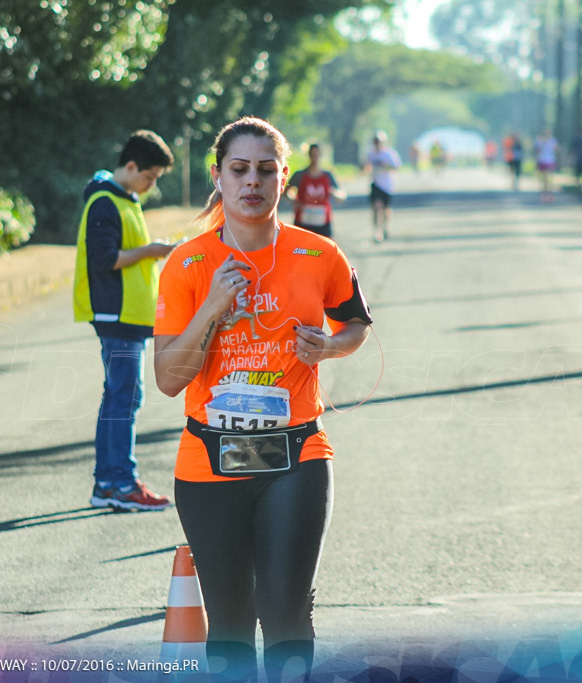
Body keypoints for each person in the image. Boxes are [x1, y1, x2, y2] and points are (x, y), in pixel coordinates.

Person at [153, 116, 372, 681]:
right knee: (228, 619)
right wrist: (212, 308)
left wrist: (327, 345)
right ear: (218, 177)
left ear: (284, 179)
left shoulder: (319, 255)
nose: (252, 182)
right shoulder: (188, 264)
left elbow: (355, 325)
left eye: (265, 170)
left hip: (295, 457)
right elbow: (169, 378)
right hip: (208, 462)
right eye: (240, 169)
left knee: (284, 607)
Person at [73, 130, 178, 511]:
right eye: (149, 177)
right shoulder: (105, 201)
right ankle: (119, 483)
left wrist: (150, 252)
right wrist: (151, 251)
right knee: (123, 397)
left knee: (120, 396)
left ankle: (108, 482)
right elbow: (104, 259)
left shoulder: (124, 198)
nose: (150, 186)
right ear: (131, 166)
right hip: (116, 316)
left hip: (127, 316)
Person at [286, 143, 346, 239]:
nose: (314, 158)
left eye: (316, 155)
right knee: (302, 251)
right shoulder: (299, 175)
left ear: (320, 155)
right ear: (308, 155)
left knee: (322, 252)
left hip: (322, 222)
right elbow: (286, 192)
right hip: (303, 222)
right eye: (312, 155)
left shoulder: (328, 175)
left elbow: (341, 194)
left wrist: (335, 194)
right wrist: (293, 200)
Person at [365, 131, 401, 243]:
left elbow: (397, 166)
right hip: (375, 184)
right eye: (375, 141)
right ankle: (377, 231)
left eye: (379, 141)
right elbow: (366, 166)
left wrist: (385, 167)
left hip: (387, 185)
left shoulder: (389, 154)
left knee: (385, 210)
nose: (377, 144)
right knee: (376, 208)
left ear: (383, 142)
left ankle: (386, 227)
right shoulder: (370, 154)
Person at [533, 128, 558, 201]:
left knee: (549, 176)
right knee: (543, 176)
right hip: (542, 160)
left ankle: (548, 190)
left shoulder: (552, 140)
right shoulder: (539, 140)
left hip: (550, 160)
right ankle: (544, 190)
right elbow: (536, 150)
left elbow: (556, 149)